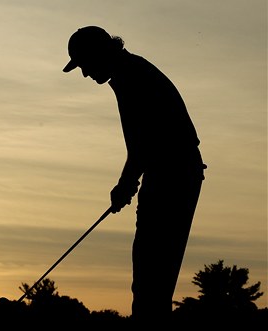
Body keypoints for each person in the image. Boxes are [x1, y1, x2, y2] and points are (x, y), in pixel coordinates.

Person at [62, 26, 206, 325]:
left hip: (173, 176)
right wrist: (127, 183)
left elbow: (143, 144)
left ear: (98, 55)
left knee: (152, 276)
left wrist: (125, 183)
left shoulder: (132, 77)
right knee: (150, 276)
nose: (85, 74)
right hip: (171, 174)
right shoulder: (130, 72)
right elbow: (141, 145)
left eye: (84, 65)